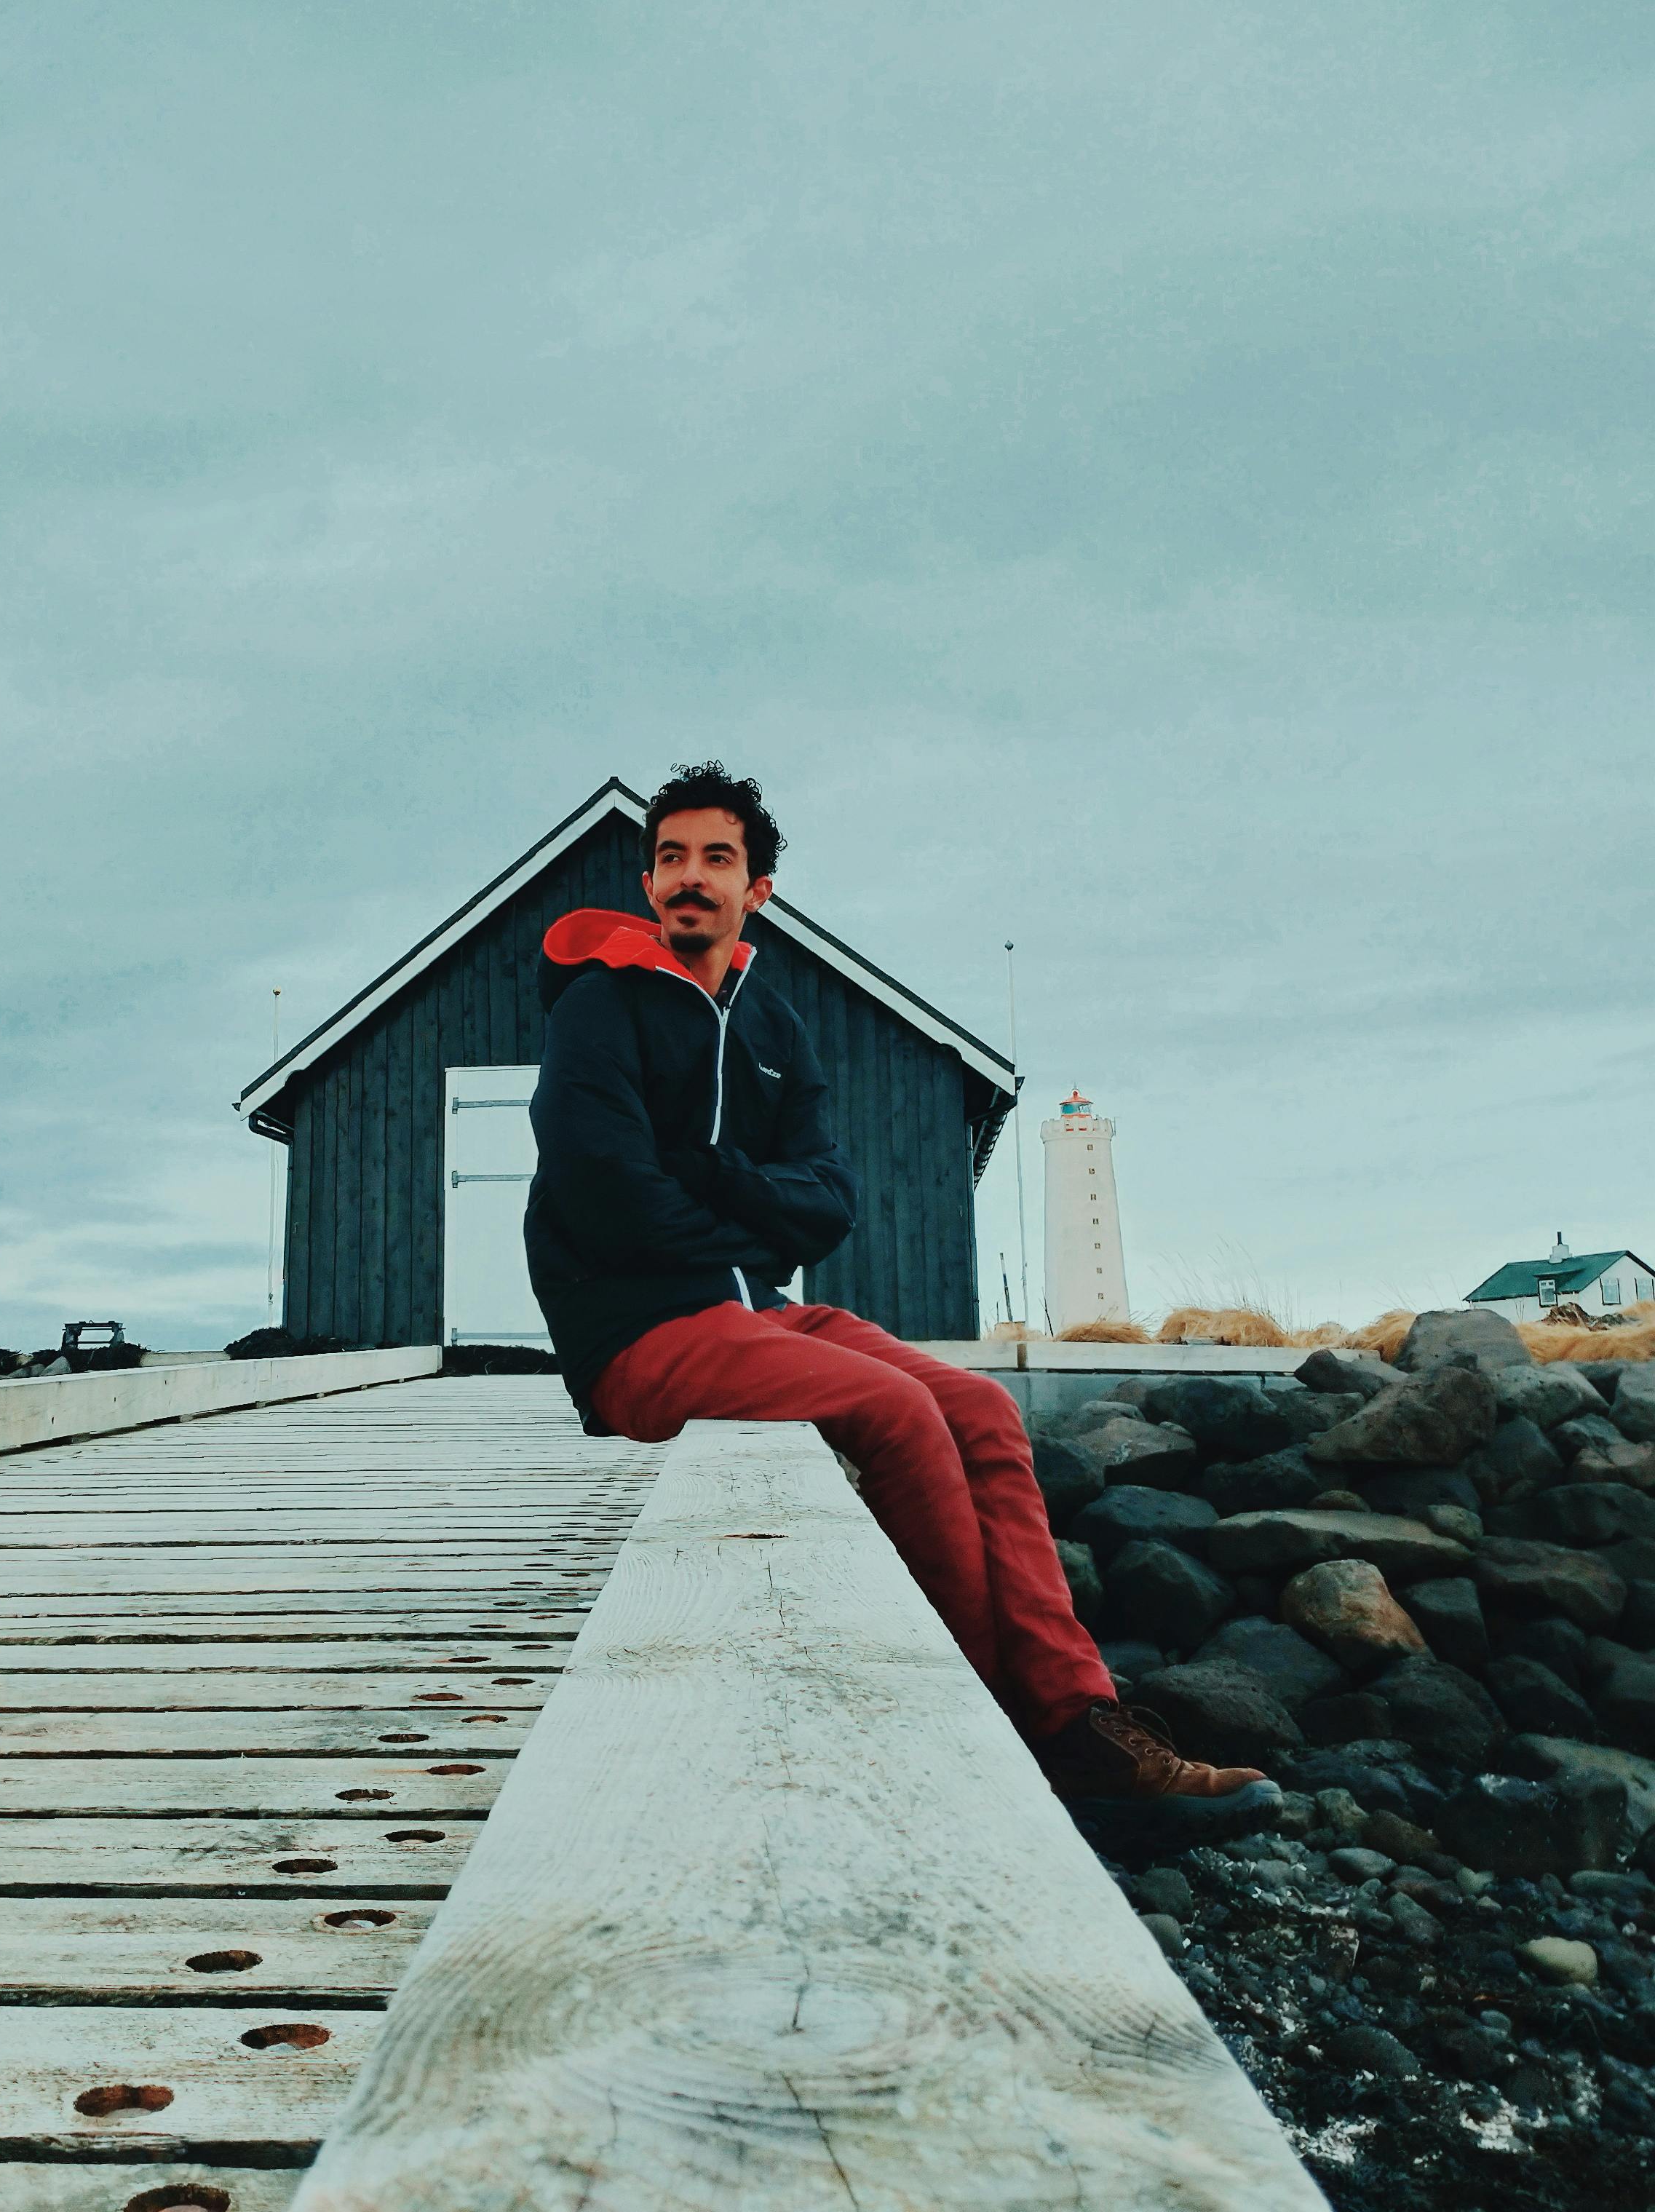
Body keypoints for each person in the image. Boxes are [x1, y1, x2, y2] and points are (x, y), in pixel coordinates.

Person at [524, 759, 1279, 1846]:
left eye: (717, 859)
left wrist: (721, 1184)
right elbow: (608, 1199)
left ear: (759, 890)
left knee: (977, 1409)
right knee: (897, 1413)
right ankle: (962, 1739)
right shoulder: (599, 1010)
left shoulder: (774, 1026)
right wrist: (751, 1215)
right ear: (649, 880)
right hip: (639, 1335)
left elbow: (827, 1205)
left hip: (759, 1315)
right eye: (671, 858)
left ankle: (1077, 1727)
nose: (690, 877)